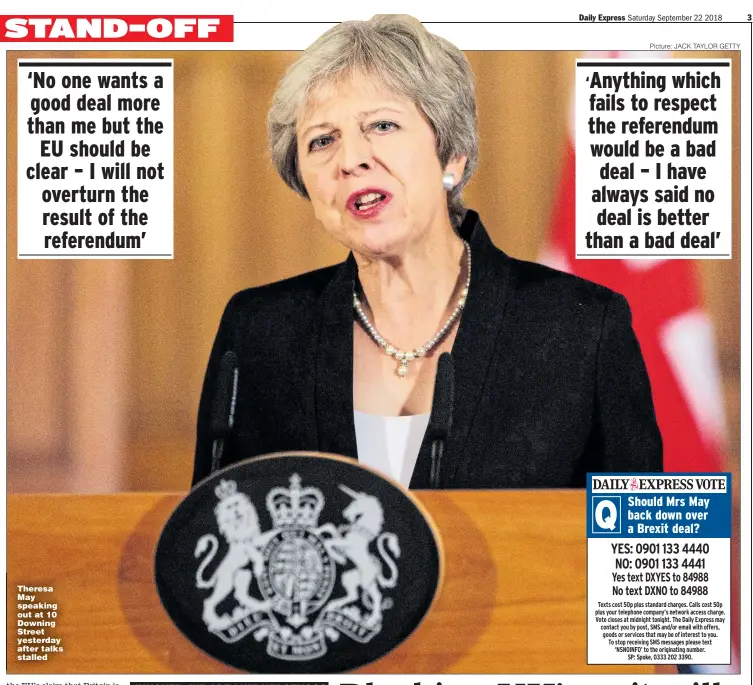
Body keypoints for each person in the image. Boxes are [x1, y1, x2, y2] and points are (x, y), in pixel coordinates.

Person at [192, 15, 662, 489]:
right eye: (322, 140)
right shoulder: (260, 335)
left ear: (451, 155)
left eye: (382, 124)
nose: (350, 158)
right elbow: (209, 535)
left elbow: (648, 546)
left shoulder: (579, 327)